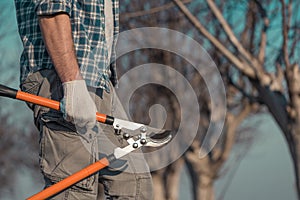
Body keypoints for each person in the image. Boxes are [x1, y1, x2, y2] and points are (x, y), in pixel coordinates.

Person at [14, 0, 153, 199]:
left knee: (135, 184)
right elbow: (52, 9)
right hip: (63, 77)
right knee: (74, 190)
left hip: (98, 81)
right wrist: (72, 84)